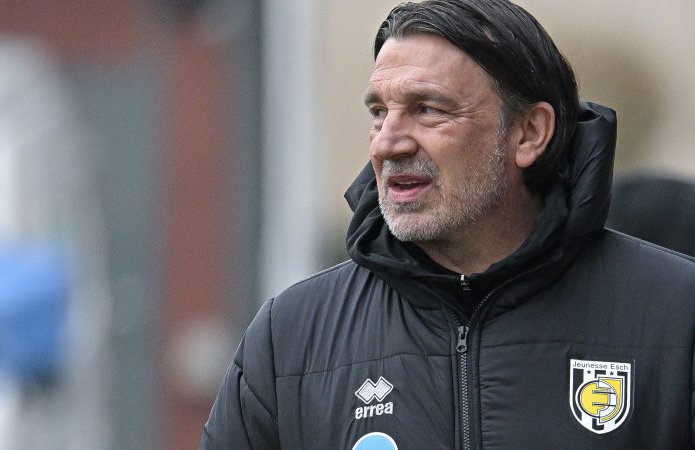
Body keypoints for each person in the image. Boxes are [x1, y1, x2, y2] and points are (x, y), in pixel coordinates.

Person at [201, 0, 695, 448]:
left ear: (529, 133)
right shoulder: (291, 338)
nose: (387, 143)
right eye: (379, 112)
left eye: (428, 110)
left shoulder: (677, 313)